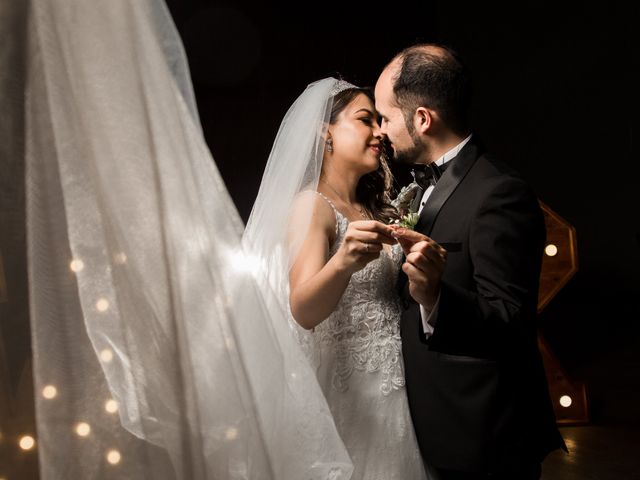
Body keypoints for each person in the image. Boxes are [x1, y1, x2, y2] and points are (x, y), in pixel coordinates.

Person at [375, 43, 567, 479]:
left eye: (385, 117)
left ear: (422, 119)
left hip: (481, 438)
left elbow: (511, 321)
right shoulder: (418, 186)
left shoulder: (499, 192)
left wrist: (436, 297)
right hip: (428, 427)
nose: (381, 131)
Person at [243, 78, 433, 479]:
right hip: (353, 394)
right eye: (366, 120)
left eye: (380, 121)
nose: (380, 131)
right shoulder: (313, 206)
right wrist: (342, 261)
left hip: (400, 388)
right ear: (325, 131)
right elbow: (303, 310)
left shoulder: (372, 208)